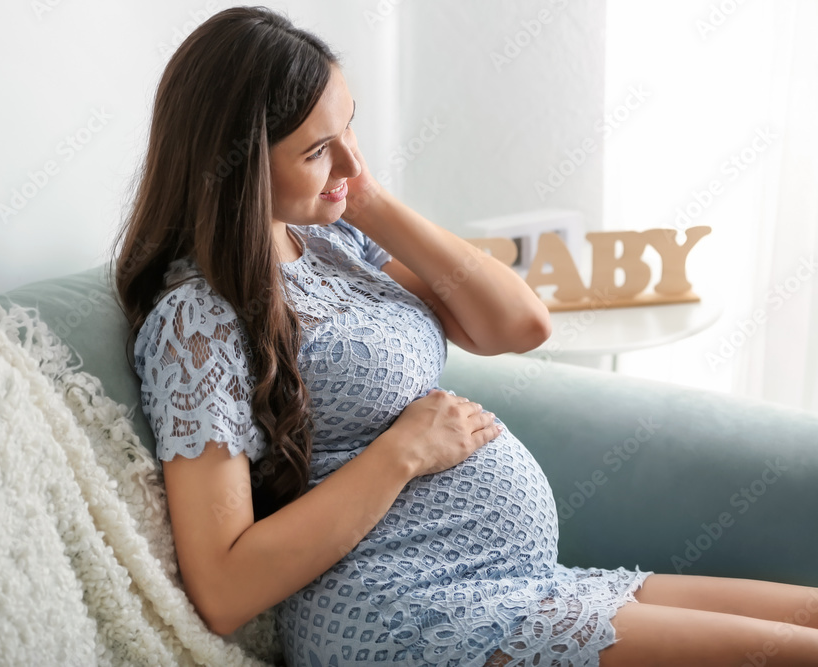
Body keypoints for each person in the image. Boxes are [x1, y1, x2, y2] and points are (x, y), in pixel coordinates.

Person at [110, 6, 818, 666]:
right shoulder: (197, 321)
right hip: (398, 607)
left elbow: (518, 323)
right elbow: (225, 587)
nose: (352, 162)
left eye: (350, 126)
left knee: (807, 617)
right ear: (237, 171)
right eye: (319, 150)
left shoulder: (330, 239)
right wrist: (402, 452)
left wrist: (368, 200)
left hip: (511, 577)